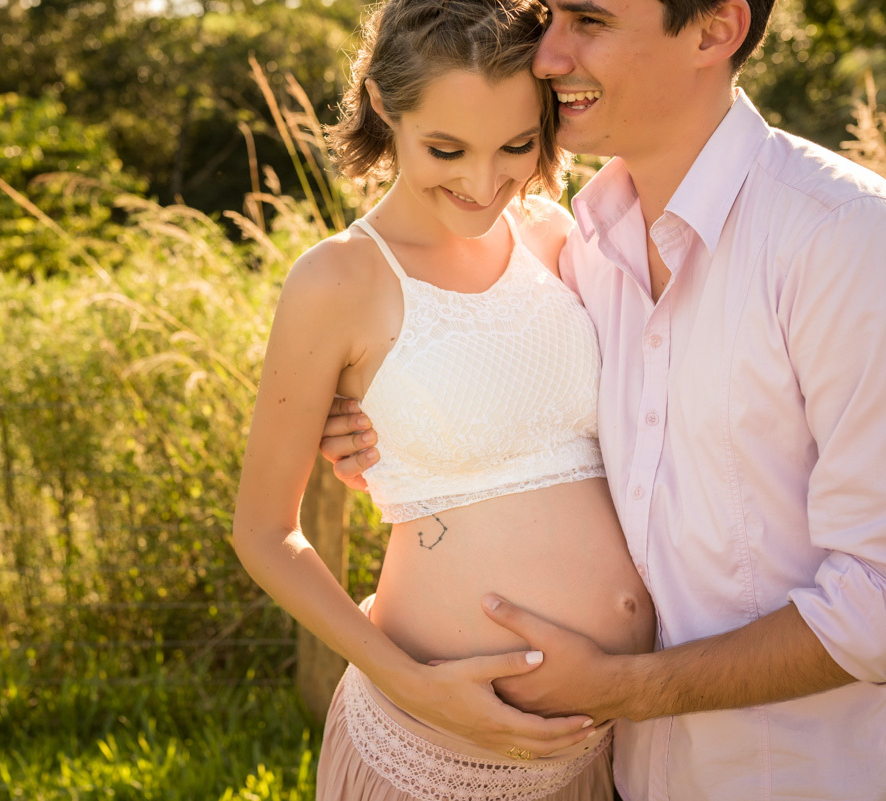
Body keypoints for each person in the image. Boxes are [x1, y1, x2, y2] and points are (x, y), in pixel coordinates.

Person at [319, 0, 886, 799]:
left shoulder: (848, 240)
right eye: (551, 16)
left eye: (588, 21)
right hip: (610, 772)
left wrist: (625, 685)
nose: (546, 56)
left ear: (715, 30)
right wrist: (380, 426)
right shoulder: (583, 246)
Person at [232, 1, 657, 799]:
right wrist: (409, 681)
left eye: (516, 146)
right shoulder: (338, 279)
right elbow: (263, 531)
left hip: (601, 749)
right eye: (446, 149)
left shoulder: (556, 237)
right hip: (431, 748)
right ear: (387, 108)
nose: (483, 180)